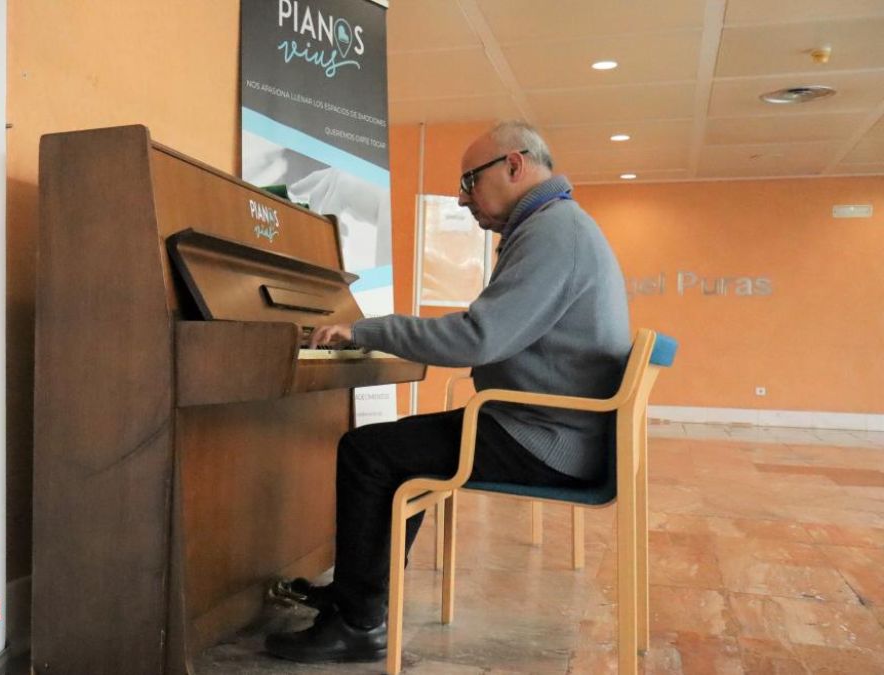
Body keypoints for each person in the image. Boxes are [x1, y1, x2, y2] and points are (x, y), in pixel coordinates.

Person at [265, 121, 631, 663]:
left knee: (370, 453)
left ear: (514, 165)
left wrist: (368, 329)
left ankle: (359, 622)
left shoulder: (555, 232)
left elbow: (478, 337)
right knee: (390, 453)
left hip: (545, 436)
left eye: (469, 180)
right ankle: (359, 597)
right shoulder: (556, 226)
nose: (462, 198)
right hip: (547, 424)